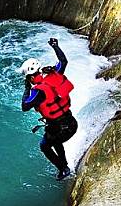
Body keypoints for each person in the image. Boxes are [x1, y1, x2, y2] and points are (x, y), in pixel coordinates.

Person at [19, 38, 77, 181]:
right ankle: (65, 166)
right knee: (54, 140)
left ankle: (63, 168)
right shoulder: (53, 73)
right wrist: (55, 46)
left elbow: (25, 106)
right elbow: (63, 61)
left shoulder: (37, 92)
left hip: (59, 128)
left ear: (31, 77)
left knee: (45, 145)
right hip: (71, 123)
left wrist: (27, 88)